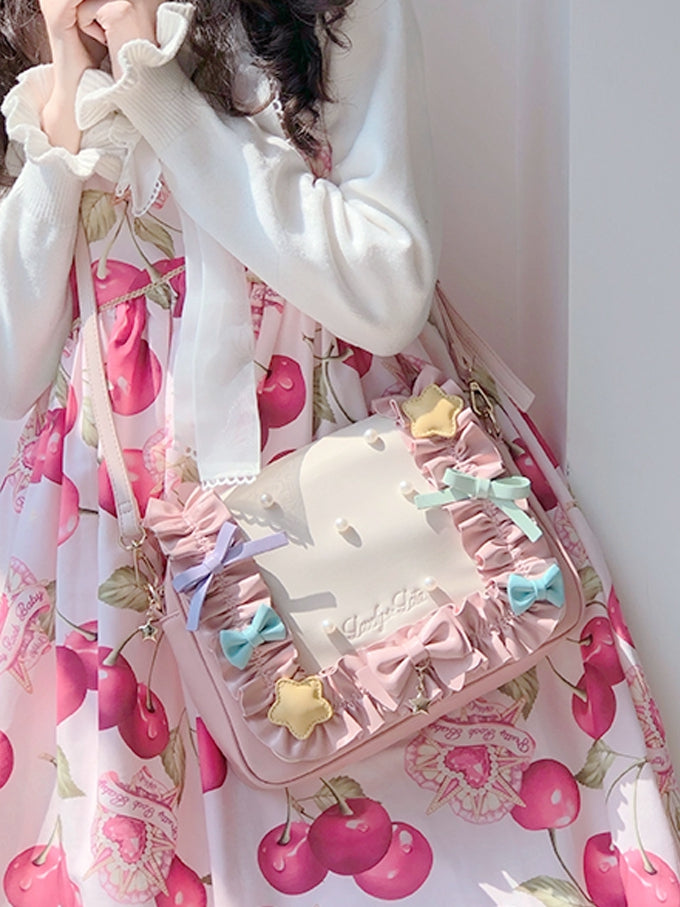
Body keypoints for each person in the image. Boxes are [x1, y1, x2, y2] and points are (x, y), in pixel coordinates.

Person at [0, 1, 678, 905]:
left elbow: (388, 291)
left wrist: (157, 87)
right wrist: (62, 81)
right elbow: (13, 370)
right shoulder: (33, 43)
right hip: (124, 547)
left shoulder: (333, 15)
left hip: (369, 512)